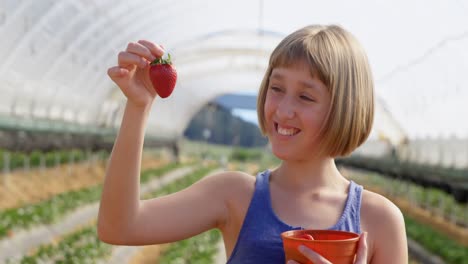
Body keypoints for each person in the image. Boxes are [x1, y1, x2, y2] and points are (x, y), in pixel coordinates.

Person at [98, 24, 408, 263]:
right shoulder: (235, 195)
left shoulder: (379, 221)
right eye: (276, 88)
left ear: (345, 107)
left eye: (306, 96)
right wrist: (138, 107)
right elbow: (119, 226)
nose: (283, 110)